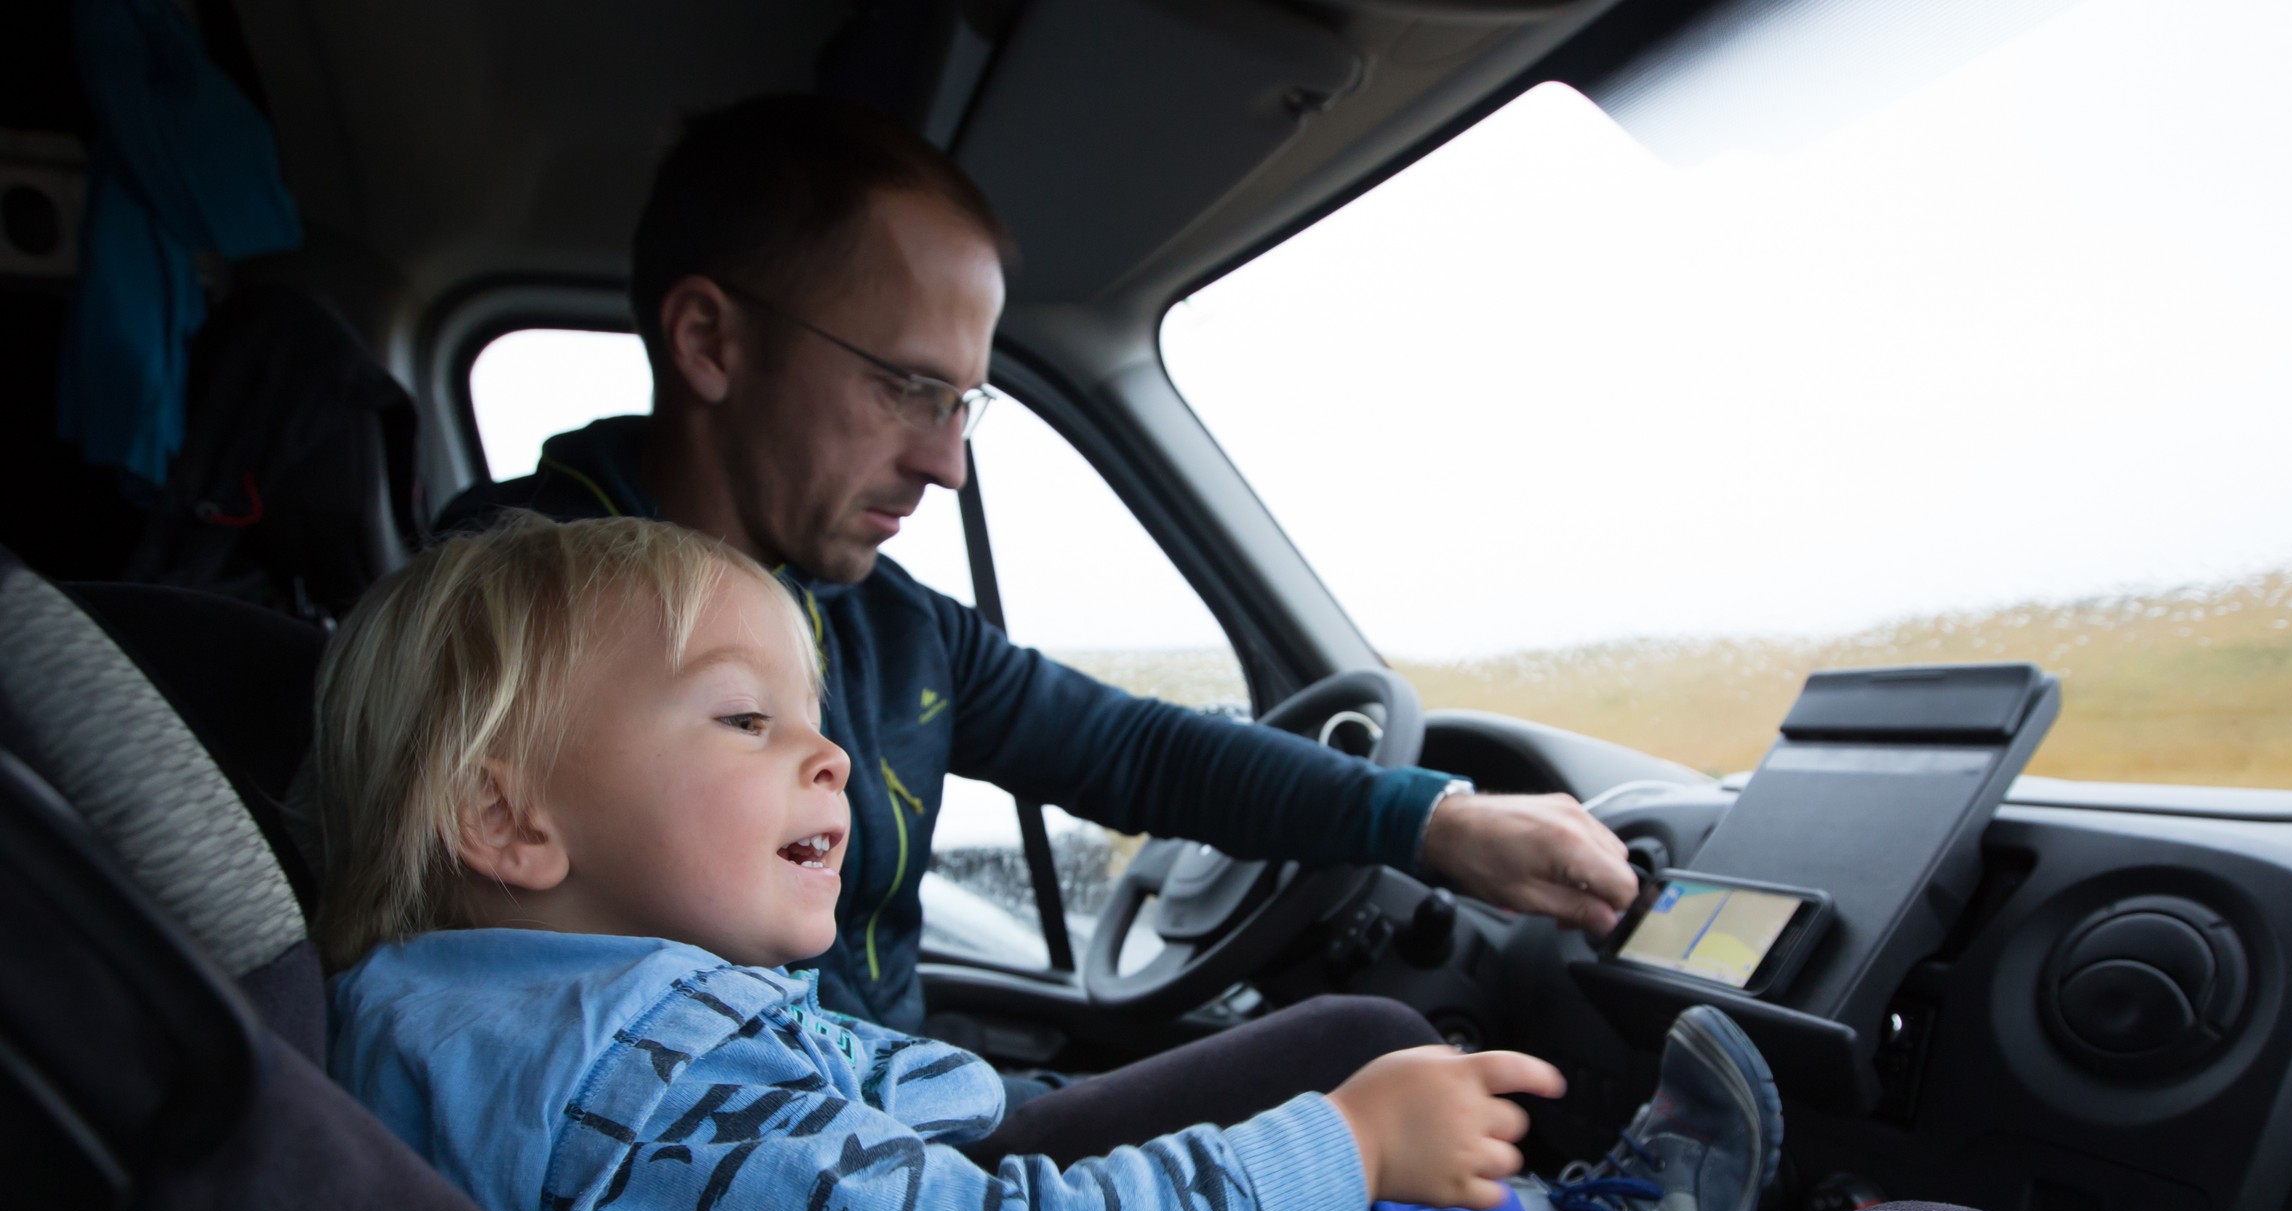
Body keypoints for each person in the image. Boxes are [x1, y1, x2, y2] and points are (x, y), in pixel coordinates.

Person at [318, 516, 1781, 1211]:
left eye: (819, 725)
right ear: (510, 824)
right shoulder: (644, 1070)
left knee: (1340, 1195)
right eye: (750, 720)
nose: (828, 760)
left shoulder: (466, 1025)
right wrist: (1344, 1150)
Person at [440, 94, 1643, 1038]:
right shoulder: (508, 613)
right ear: (709, 340)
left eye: (964, 405)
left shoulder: (886, 621)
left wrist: (1432, 820)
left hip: (898, 1124)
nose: (947, 466)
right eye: (907, 387)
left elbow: (1134, 749)